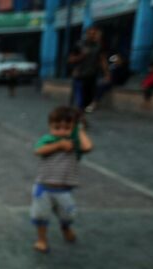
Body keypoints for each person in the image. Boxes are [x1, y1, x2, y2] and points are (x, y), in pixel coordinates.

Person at [31, 107, 94, 253]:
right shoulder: (48, 139)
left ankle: (65, 227)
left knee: (68, 215)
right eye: (57, 127)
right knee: (41, 215)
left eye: (67, 128)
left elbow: (88, 147)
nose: (61, 131)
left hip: (63, 190)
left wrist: (79, 130)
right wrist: (58, 145)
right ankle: (42, 239)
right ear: (50, 127)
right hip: (43, 188)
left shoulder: (75, 144)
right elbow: (38, 150)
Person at [68, 27, 109, 111]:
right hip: (79, 75)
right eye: (90, 33)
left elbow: (102, 60)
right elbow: (70, 59)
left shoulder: (98, 46)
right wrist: (81, 56)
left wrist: (107, 74)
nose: (92, 35)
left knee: (87, 100)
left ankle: (82, 115)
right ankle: (76, 113)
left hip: (92, 75)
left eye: (94, 34)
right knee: (78, 100)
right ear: (86, 34)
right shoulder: (79, 45)